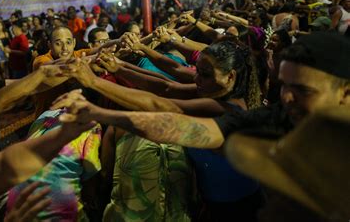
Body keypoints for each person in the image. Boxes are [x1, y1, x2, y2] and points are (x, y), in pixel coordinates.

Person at [53, 31, 350, 174]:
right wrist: (115, 77)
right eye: (283, 85)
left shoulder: (226, 107)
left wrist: (96, 86)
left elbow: (167, 105)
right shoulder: (252, 114)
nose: (286, 97)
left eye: (302, 89)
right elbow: (169, 100)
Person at [6, 109, 102, 221]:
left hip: (17, 203)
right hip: (59, 208)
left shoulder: (46, 114)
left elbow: (29, 140)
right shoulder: (92, 125)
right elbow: (91, 170)